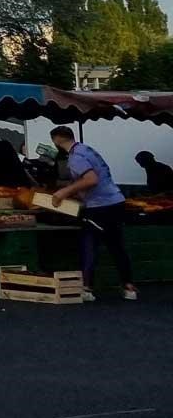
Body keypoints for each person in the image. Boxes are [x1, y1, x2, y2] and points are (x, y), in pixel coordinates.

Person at [50, 126, 137, 302]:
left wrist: (64, 192)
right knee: (116, 245)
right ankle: (129, 287)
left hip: (99, 206)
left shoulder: (75, 158)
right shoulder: (88, 150)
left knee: (89, 244)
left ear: (57, 140)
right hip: (115, 201)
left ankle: (87, 288)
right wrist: (77, 193)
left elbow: (91, 179)